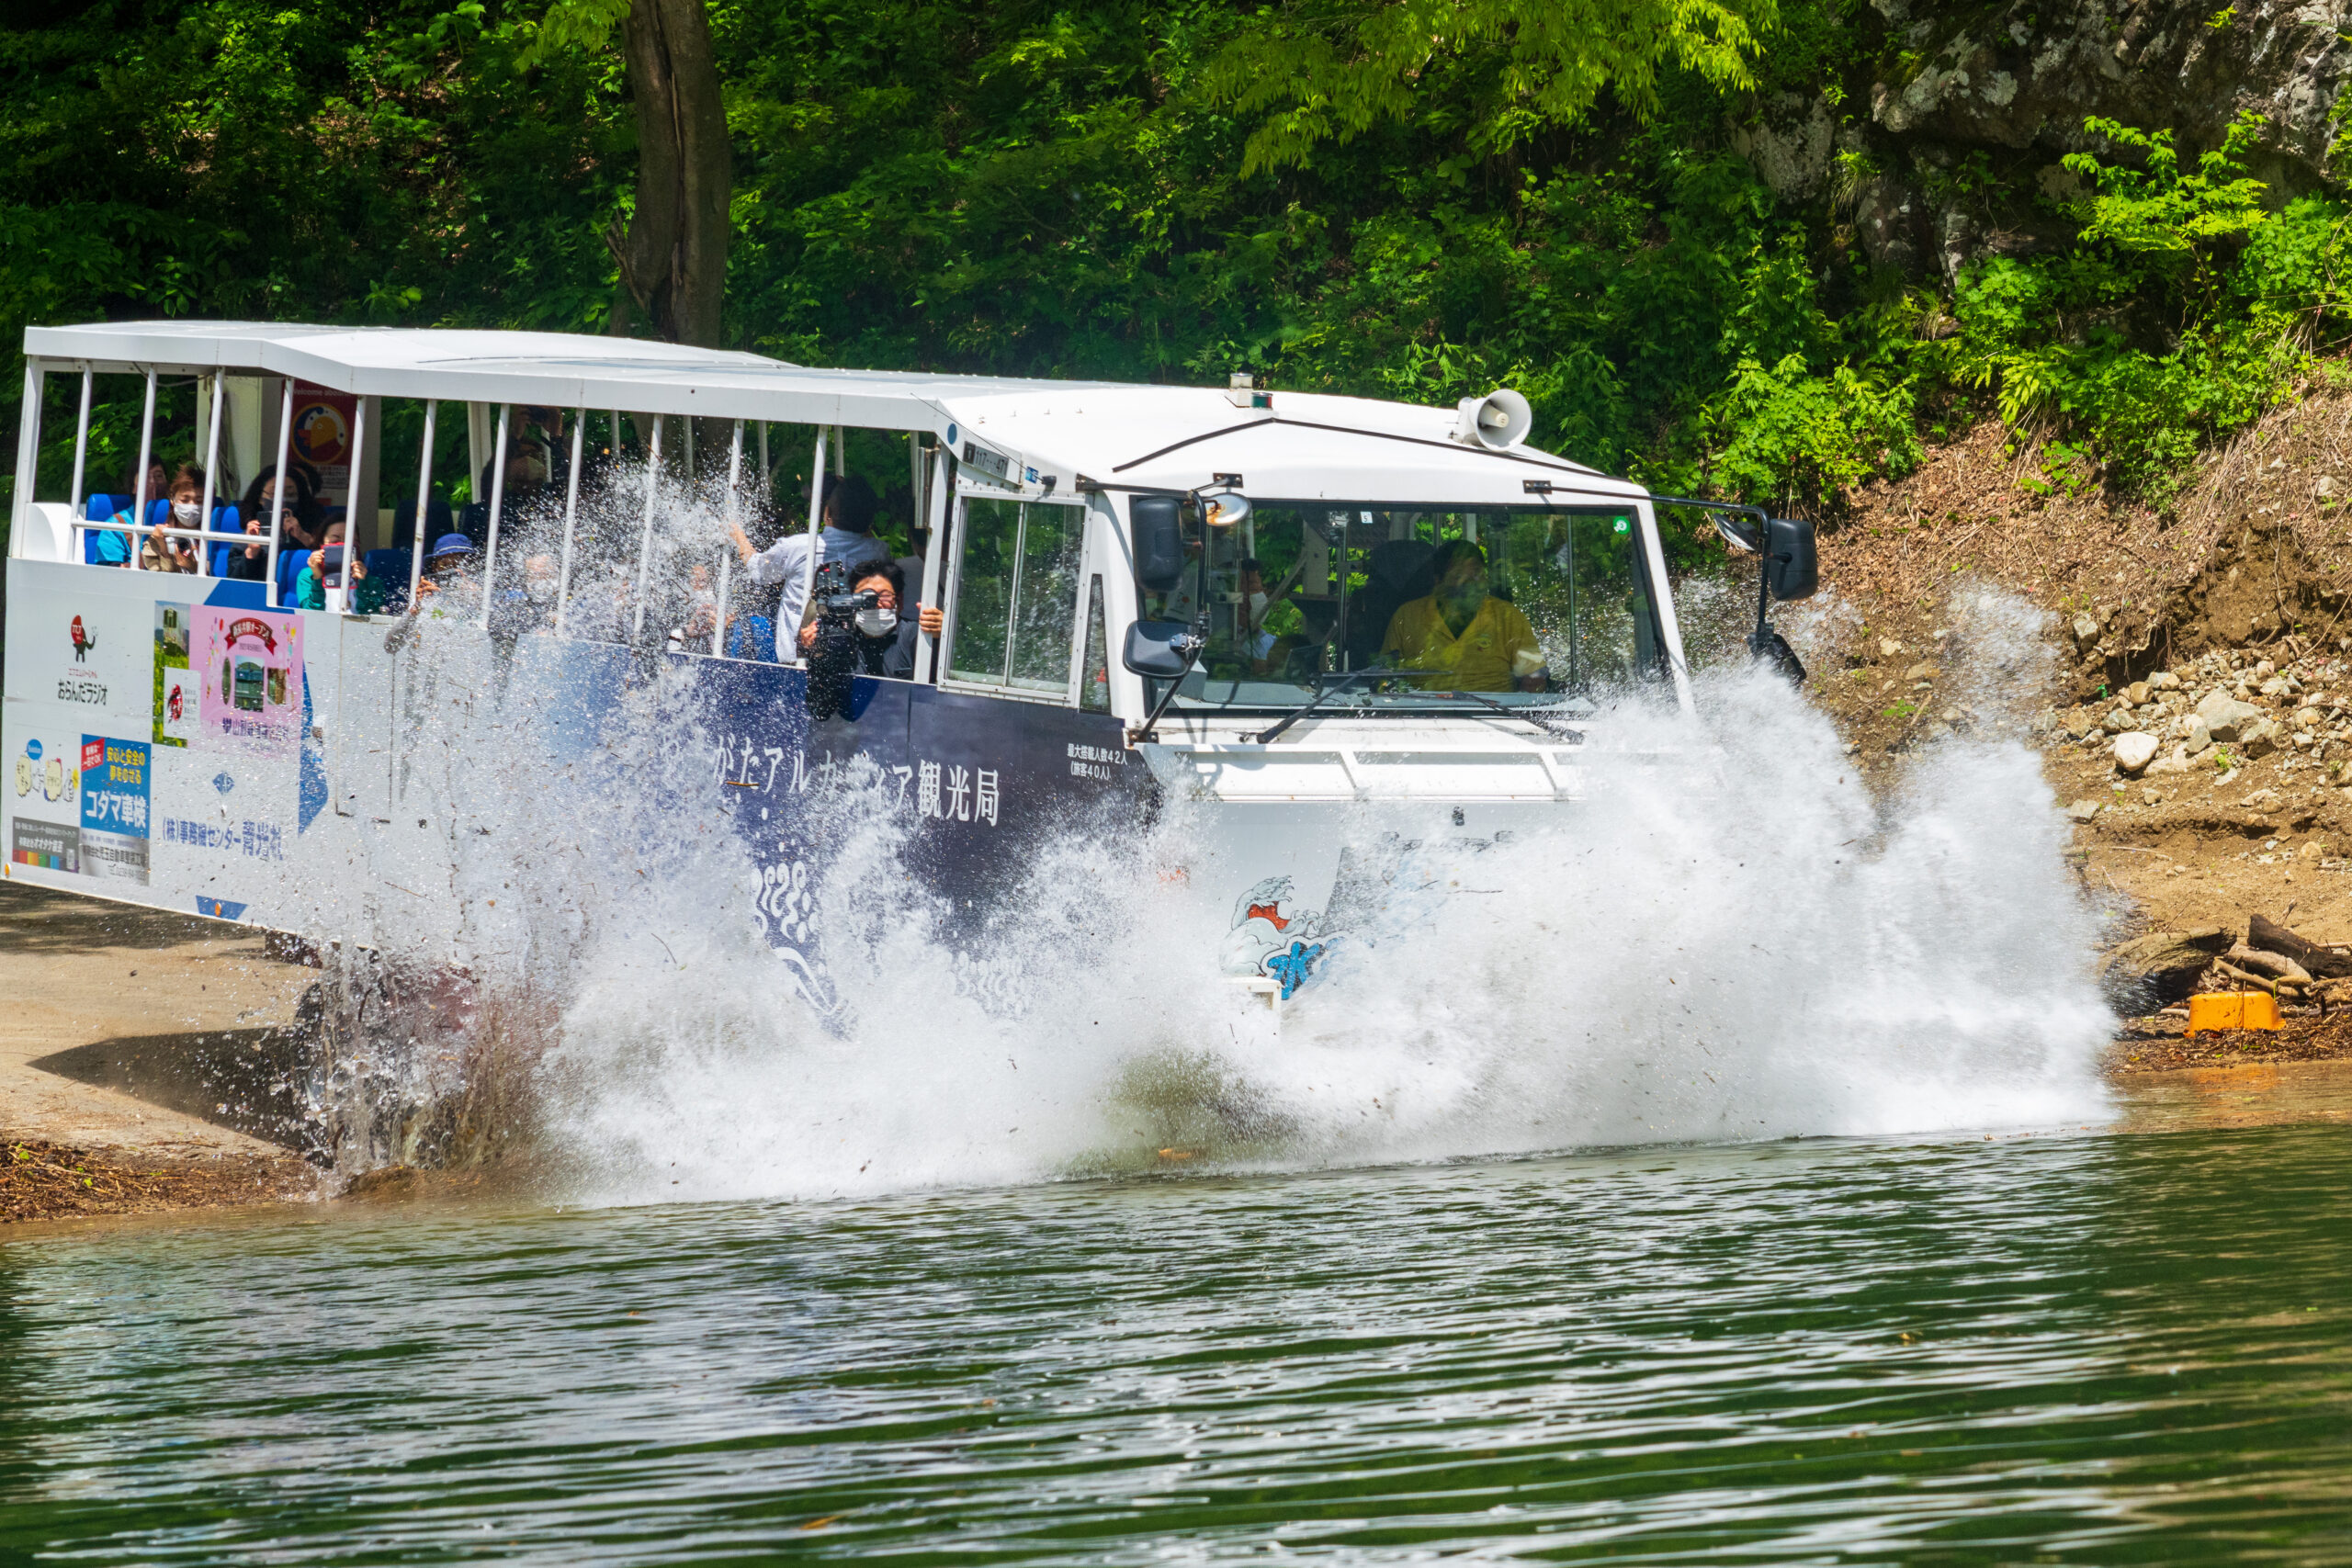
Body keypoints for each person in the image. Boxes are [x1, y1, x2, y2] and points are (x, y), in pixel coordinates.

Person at [729, 472, 890, 636]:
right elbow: (864, 531)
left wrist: (736, 533)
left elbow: (759, 571)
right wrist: (851, 495)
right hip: (852, 653)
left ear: (827, 513)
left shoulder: (798, 546)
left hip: (796, 656)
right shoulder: (878, 552)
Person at [1379, 538, 1545, 693]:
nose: (1471, 584)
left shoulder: (1507, 616)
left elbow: (1534, 679)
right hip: (1426, 716)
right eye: (1459, 576)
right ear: (1438, 582)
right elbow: (1385, 677)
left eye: (1477, 574)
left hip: (1496, 716)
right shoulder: (1407, 616)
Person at [794, 558, 944, 678]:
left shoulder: (916, 636)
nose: (875, 603)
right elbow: (821, 705)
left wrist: (941, 636)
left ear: (900, 601)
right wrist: (813, 650)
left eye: (884, 595)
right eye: (865, 597)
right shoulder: (839, 637)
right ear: (850, 599)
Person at [137, 465, 208, 572]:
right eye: (184, 500)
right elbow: (161, 580)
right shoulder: (156, 540)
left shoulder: (212, 539)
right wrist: (164, 547)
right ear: (172, 500)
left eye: (199, 501)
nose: (191, 506)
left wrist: (193, 566)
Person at [295, 522, 368, 608]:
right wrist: (317, 577)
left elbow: (373, 616)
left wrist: (363, 583)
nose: (343, 545)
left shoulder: (372, 581)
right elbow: (309, 613)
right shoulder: (307, 576)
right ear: (321, 543)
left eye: (349, 541)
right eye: (335, 541)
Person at [410, 533, 481, 615]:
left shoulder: (486, 593)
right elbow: (399, 627)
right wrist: (416, 609)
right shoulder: (428, 596)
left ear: (473, 567)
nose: (455, 571)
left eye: (460, 564)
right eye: (446, 566)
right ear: (434, 568)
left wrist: (478, 598)